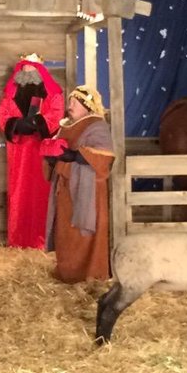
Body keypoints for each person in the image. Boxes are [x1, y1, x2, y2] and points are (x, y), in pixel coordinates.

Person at [45, 85, 115, 283]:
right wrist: (51, 158)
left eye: (75, 102)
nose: (70, 105)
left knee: (82, 233)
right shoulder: (65, 126)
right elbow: (57, 150)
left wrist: (74, 155)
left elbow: (104, 156)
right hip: (65, 189)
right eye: (69, 101)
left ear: (87, 105)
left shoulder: (96, 126)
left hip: (87, 190)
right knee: (65, 231)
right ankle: (67, 272)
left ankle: (91, 273)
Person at [0, 54, 65, 248]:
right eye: (23, 69)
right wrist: (16, 124)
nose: (27, 73)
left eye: (31, 68)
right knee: (18, 194)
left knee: (41, 194)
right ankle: (18, 240)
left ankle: (41, 240)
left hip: (41, 152)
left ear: (39, 71)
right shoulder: (10, 94)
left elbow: (56, 114)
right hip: (18, 153)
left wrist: (37, 123)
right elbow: (2, 114)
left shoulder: (52, 94)